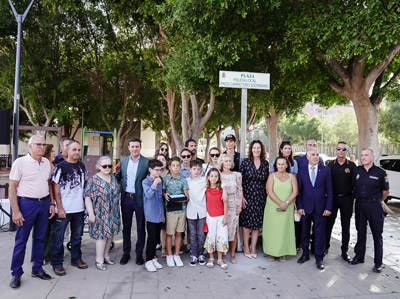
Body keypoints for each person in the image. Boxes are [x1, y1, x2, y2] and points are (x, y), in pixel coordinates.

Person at [9, 135, 55, 289]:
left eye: (44, 144)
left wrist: (52, 203)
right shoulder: (20, 163)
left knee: (40, 238)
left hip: (44, 203)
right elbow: (12, 188)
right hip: (26, 204)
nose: (42, 147)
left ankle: (37, 269)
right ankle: (16, 273)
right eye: (38, 144)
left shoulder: (47, 162)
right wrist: (16, 211)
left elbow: (48, 183)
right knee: (21, 240)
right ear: (30, 146)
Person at [51, 140, 88, 276]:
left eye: (79, 150)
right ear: (67, 150)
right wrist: (59, 207)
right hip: (64, 210)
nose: (77, 152)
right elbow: (55, 188)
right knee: (58, 238)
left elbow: (83, 186)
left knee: (77, 237)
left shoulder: (82, 166)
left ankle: (76, 259)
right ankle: (57, 263)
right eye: (74, 150)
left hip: (78, 210)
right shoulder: (60, 167)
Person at [349, 148, 389, 273]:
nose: (363, 157)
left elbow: (386, 191)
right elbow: (353, 187)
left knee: (377, 234)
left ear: (372, 157)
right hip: (360, 205)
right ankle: (359, 256)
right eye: (362, 155)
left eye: (366, 155)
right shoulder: (356, 171)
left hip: (374, 206)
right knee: (360, 232)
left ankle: (378, 263)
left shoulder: (380, 172)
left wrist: (376, 200)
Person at [296, 148, 333, 270]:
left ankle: (319, 257)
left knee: (319, 233)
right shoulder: (301, 171)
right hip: (305, 208)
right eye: (313, 154)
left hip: (321, 208)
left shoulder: (326, 170)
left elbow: (330, 191)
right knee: (304, 232)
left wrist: (328, 207)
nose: (316, 157)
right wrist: (299, 206)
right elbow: (299, 191)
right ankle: (305, 254)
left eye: (317, 154)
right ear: (307, 157)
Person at [115, 138, 149, 266]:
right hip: (126, 199)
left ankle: (139, 253)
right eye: (132, 147)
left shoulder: (146, 162)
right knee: (126, 227)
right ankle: (126, 252)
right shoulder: (123, 162)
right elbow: (118, 176)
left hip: (140, 198)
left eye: (137, 146)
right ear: (128, 148)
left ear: (140, 147)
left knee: (141, 227)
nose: (135, 149)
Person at [84, 156, 121, 271]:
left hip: (113, 211)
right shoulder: (93, 180)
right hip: (100, 212)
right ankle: (99, 260)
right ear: (99, 166)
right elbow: (87, 197)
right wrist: (91, 213)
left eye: (109, 166)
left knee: (110, 235)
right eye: (104, 166)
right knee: (101, 237)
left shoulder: (113, 177)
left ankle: (106, 256)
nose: (107, 168)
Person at [263, 157, 298, 262]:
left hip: (288, 207)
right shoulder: (271, 176)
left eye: (283, 164)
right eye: (279, 164)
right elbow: (269, 191)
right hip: (273, 206)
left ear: (287, 165)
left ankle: (282, 252)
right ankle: (271, 252)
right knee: (273, 229)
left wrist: (286, 203)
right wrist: (280, 203)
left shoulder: (292, 176)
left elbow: (295, 192)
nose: (281, 166)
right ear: (276, 165)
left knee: (284, 229)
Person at [326, 141, 356, 261]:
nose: (341, 151)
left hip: (347, 199)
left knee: (346, 226)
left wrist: (352, 198)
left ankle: (344, 251)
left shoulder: (352, 166)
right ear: (336, 149)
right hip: (333, 198)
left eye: (344, 149)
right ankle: (325, 248)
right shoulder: (330, 165)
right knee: (329, 225)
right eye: (339, 148)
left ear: (347, 151)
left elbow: (355, 184)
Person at [239, 140, 269, 258]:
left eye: (258, 148)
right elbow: (239, 181)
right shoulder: (246, 162)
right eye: (254, 148)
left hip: (260, 197)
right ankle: (246, 246)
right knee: (247, 223)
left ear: (261, 149)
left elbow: (267, 181)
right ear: (251, 149)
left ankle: (253, 247)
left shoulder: (265, 163)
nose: (256, 150)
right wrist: (241, 197)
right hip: (247, 196)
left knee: (257, 223)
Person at [163, 157, 189, 267]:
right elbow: (163, 193)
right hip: (170, 210)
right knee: (169, 233)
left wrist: (181, 198)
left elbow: (187, 196)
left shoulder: (183, 180)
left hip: (181, 209)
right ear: (169, 167)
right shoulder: (166, 179)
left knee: (179, 233)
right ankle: (169, 255)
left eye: (178, 165)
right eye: (173, 165)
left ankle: (177, 255)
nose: (176, 167)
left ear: (180, 166)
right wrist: (165, 195)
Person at [142, 159, 164, 272]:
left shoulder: (160, 181)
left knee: (156, 239)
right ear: (150, 169)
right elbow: (149, 195)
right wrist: (155, 183)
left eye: (160, 170)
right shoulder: (146, 182)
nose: (159, 172)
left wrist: (163, 215)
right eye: (157, 170)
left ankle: (154, 257)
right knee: (151, 238)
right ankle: (148, 259)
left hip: (159, 214)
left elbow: (161, 199)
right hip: (151, 214)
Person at [219, 154, 242, 264]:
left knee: (234, 229)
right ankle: (223, 252)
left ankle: (232, 253)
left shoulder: (237, 175)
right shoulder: (218, 175)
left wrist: (239, 205)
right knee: (223, 228)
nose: (228, 163)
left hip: (234, 203)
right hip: (221, 204)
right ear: (222, 163)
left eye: (229, 161)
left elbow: (240, 190)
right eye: (226, 161)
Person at [204, 168, 229, 270]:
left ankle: (219, 259)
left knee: (221, 237)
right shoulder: (205, 189)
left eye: (216, 176)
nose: (213, 178)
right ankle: (211, 258)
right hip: (210, 216)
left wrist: (226, 217)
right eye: (212, 176)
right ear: (208, 177)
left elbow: (225, 203)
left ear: (219, 178)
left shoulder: (222, 190)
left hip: (221, 216)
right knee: (211, 236)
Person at [186, 159, 207, 267]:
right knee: (193, 234)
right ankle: (194, 254)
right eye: (194, 169)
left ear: (201, 170)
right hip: (191, 211)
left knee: (201, 234)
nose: (196, 171)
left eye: (198, 169)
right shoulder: (186, 181)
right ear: (190, 169)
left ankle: (201, 254)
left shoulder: (204, 180)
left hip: (202, 211)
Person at [39, 144, 57, 265]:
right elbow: (50, 184)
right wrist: (52, 201)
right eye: (53, 152)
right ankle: (42, 256)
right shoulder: (48, 166)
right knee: (43, 230)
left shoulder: (52, 165)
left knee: (50, 229)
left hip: (53, 200)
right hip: (47, 201)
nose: (55, 154)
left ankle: (47, 254)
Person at [155, 153, 169, 257]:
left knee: (165, 227)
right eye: (158, 159)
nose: (161, 161)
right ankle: (155, 245)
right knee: (155, 226)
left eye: (163, 159)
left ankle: (164, 248)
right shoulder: (154, 175)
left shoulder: (170, 174)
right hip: (156, 204)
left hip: (168, 204)